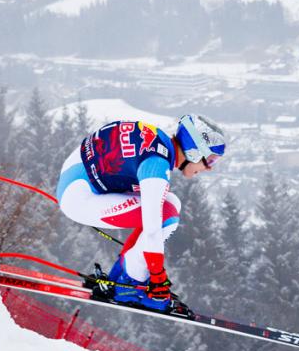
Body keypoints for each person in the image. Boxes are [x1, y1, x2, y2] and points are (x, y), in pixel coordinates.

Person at [55, 114, 226, 313]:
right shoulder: (157, 163)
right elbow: (153, 227)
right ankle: (130, 287)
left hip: (76, 182)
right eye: (211, 160)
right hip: (79, 197)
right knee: (167, 213)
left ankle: (121, 277)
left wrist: (155, 274)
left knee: (170, 202)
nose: (209, 169)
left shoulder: (158, 140)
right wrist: (157, 278)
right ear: (194, 152)